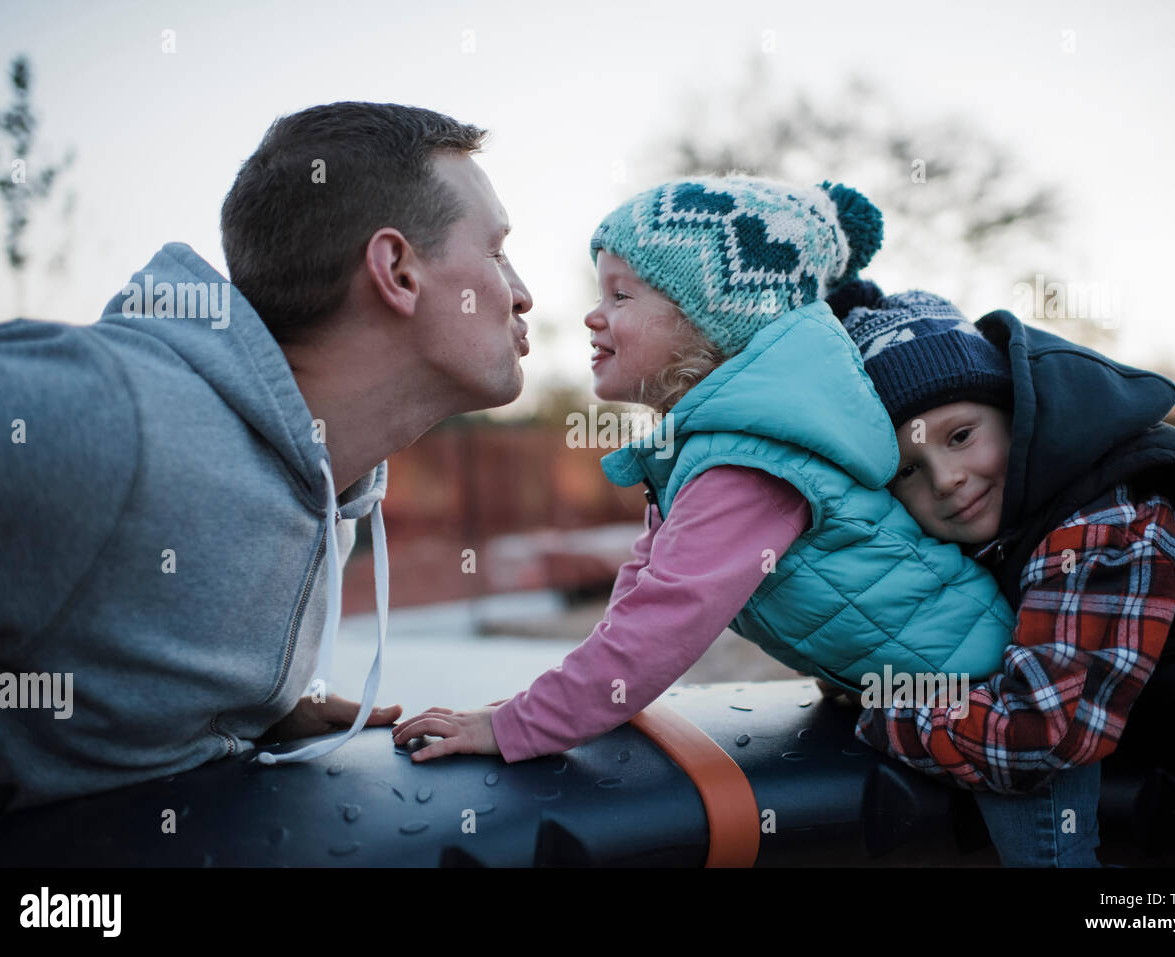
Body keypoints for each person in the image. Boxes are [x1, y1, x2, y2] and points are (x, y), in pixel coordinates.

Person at [0, 102, 533, 821]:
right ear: (396, 269)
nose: (521, 293)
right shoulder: (109, 415)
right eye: (496, 250)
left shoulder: (332, 478)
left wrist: (234, 718)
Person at [393, 174, 1015, 764]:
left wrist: (521, 727)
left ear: (709, 321)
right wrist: (555, 702)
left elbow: (668, 620)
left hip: (989, 693)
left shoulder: (753, 457)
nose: (593, 315)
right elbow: (641, 589)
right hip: (931, 687)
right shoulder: (714, 445)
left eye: (621, 295)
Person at [828, 278, 1175, 866]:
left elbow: (1035, 737)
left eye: (961, 436)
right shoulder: (1005, 523)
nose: (945, 478)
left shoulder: (1107, 525)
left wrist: (879, 710)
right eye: (908, 469)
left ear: (1019, 412)